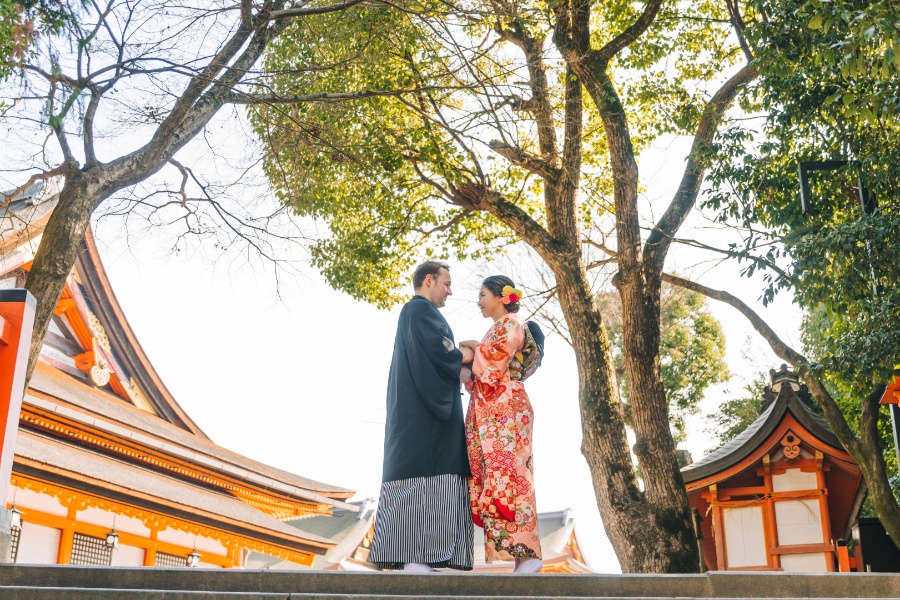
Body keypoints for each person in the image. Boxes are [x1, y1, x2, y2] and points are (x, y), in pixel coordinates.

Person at [368, 261, 475, 572]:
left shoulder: (413, 313)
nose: (450, 291)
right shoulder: (420, 310)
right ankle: (419, 557)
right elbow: (440, 352)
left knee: (422, 480)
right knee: (427, 479)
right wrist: (469, 353)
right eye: (446, 283)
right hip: (427, 416)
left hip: (416, 412)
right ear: (429, 280)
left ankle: (419, 557)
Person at [460, 275, 543, 573]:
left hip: (509, 408)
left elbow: (494, 361)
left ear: (500, 296)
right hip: (496, 408)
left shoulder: (512, 323)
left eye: (483, 294)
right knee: (498, 479)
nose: (479, 300)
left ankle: (531, 554)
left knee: (516, 476)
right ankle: (521, 554)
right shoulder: (497, 327)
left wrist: (471, 346)